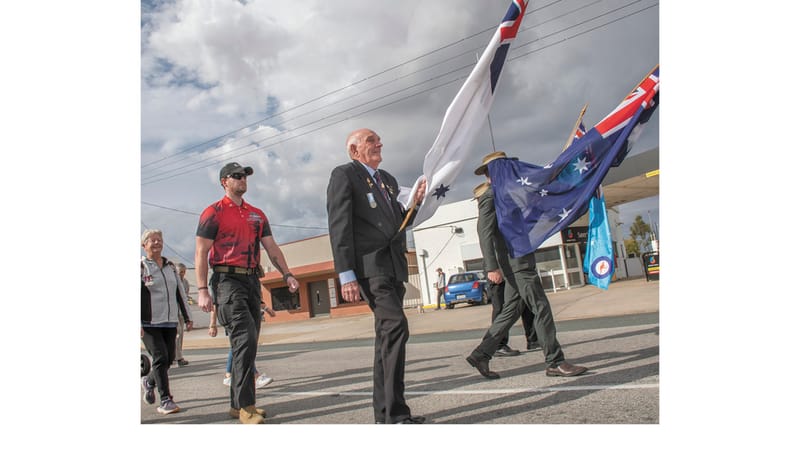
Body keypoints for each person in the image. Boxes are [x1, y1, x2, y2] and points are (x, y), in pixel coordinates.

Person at [326, 128, 427, 424]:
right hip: (369, 268)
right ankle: (394, 413)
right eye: (371, 140)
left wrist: (417, 202)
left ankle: (387, 414)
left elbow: (400, 223)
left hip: (393, 266)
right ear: (354, 151)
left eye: (379, 139)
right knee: (396, 326)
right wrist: (346, 274)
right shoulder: (344, 175)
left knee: (387, 334)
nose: (379, 143)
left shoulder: (389, 181)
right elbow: (339, 225)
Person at [465, 152, 588, 379]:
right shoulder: (490, 195)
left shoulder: (514, 192)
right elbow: (484, 233)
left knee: (511, 310)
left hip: (521, 257)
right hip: (515, 262)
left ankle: (481, 354)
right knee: (540, 306)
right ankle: (555, 361)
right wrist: (491, 267)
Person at [195, 162, 300, 424]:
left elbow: (271, 247)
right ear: (224, 182)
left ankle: (235, 405)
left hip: (252, 280)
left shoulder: (257, 214)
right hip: (226, 280)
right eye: (237, 176)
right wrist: (201, 290)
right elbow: (200, 252)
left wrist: (287, 274)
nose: (243, 180)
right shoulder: (213, 212)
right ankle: (246, 407)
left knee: (249, 344)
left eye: (245, 176)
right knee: (244, 339)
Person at [141, 229, 193, 415]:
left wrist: (188, 317)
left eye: (159, 240)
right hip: (149, 323)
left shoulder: (170, 267)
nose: (157, 243)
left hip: (170, 321)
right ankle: (166, 399)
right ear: (144, 245)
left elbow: (180, 293)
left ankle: (149, 381)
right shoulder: (140, 267)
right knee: (160, 357)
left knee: (169, 359)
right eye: (152, 240)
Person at [174, 263, 190, 367]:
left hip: (181, 312)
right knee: (177, 333)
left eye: (184, 272)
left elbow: (185, 297)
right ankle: (178, 357)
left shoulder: (185, 282)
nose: (182, 274)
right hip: (173, 312)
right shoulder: (172, 281)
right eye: (180, 272)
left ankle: (177, 355)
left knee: (180, 335)